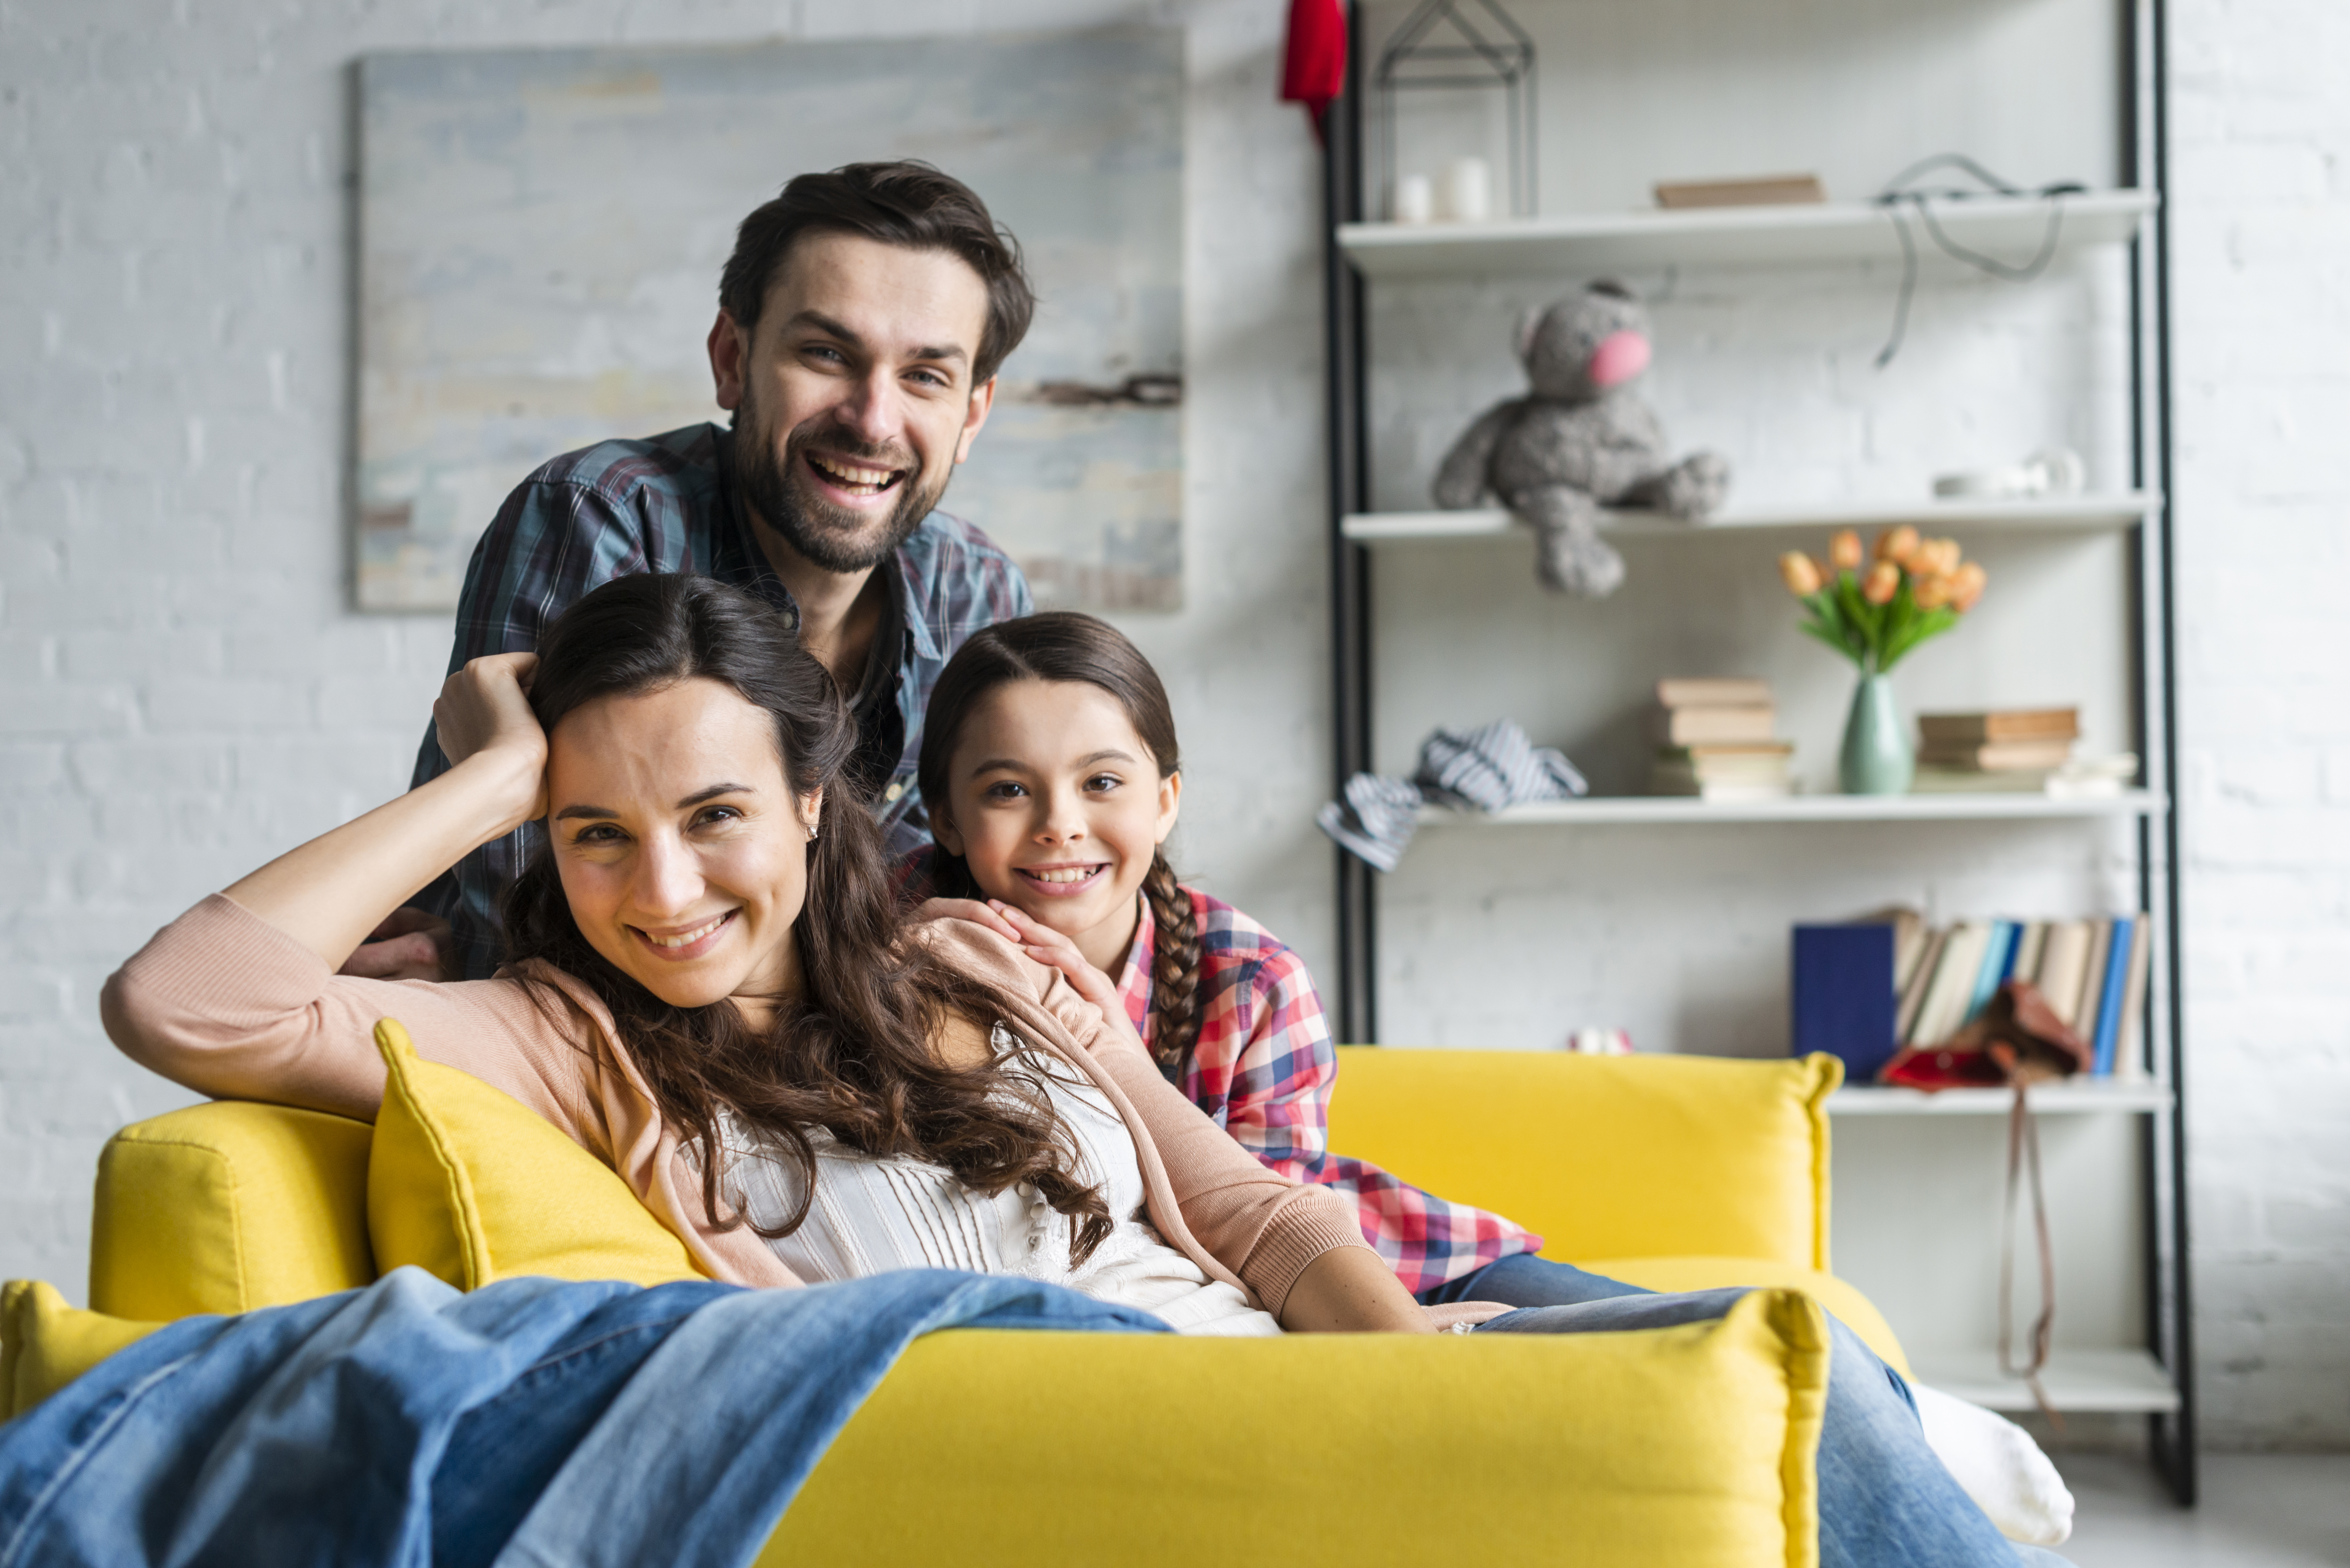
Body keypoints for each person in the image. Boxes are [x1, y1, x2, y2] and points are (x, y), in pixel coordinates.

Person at [103, 576, 2057, 1566]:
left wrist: (1403, 1373)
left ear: (814, 801)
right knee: (1820, 1413)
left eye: (714, 815)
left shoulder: (970, 947)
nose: (665, 887)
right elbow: (187, 998)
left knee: (1810, 1369)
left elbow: (1246, 1207)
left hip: (1311, 1375)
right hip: (1131, 1434)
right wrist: (495, 778)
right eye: (602, 837)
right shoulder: (566, 1039)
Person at [907, 610, 2074, 1561]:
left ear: (1166, 799)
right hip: (1273, 1310)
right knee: (1710, 1368)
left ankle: (1925, 1432)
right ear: (948, 817)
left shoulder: (1246, 974)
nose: (1062, 827)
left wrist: (1430, 1315)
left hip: (1398, 1256)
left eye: (1102, 781)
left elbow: (1278, 1210)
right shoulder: (915, 968)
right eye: (1007, 790)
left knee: (1771, 1343)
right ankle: (1908, 1433)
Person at [361, 160, 1036, 984]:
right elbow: (550, 897)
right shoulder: (598, 515)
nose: (873, 420)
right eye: (826, 354)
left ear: (971, 414)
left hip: (836, 1064)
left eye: (925, 376)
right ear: (731, 359)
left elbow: (987, 895)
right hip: (562, 1041)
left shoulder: (981, 591)